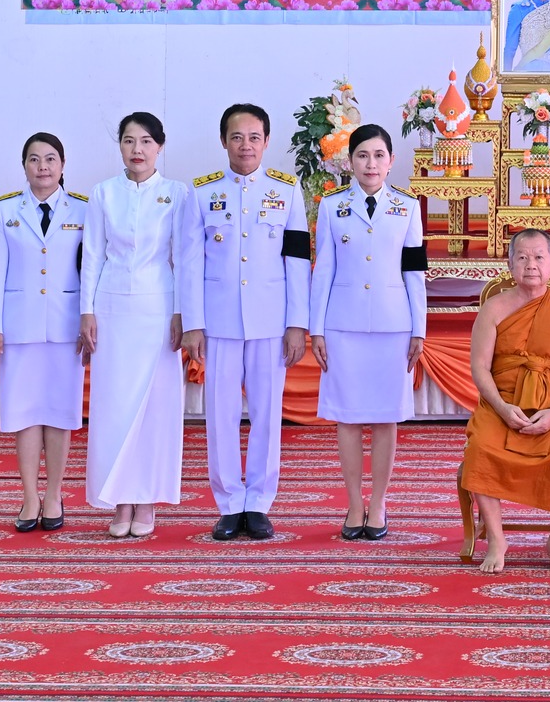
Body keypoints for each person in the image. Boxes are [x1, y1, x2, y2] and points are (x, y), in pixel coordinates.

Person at [180, 104, 312, 541]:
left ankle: (258, 501)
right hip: (218, 321)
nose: (246, 145)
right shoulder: (200, 193)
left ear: (267, 142)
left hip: (270, 320)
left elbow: (296, 260)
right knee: (219, 417)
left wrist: (297, 322)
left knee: (267, 415)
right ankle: (229, 503)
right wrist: (193, 323)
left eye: (254, 137)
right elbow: (189, 263)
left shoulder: (287, 190)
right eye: (237, 137)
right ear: (223, 142)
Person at [309, 123, 428, 540]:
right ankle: (354, 504)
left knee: (385, 418)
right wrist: (316, 329)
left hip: (394, 326)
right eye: (362, 155)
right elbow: (323, 269)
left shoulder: (408, 207)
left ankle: (378, 503)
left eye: (379, 155)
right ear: (350, 161)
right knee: (347, 416)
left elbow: (414, 272)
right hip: (343, 325)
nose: (371, 163)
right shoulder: (331, 206)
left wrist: (419, 329)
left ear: (391, 161)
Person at [462, 229, 550, 572]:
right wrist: (500, 407)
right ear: (509, 264)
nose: (531, 265)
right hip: (503, 403)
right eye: (522, 257)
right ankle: (497, 540)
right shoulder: (494, 309)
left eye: (539, 257)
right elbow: (480, 368)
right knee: (480, 447)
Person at [82, 112, 189, 538]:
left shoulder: (177, 194)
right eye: (129, 141)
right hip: (111, 310)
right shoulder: (103, 193)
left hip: (159, 309)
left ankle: (145, 500)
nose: (137, 150)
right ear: (120, 147)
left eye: (146, 141)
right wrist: (86, 311)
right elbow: (92, 255)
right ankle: (118, 500)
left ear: (160, 146)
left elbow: (183, 258)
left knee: (154, 409)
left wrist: (183, 313)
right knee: (114, 407)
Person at [0, 133, 88, 533]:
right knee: (25, 415)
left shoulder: (82, 209)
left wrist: (88, 317)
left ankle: (55, 494)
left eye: (50, 159)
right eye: (34, 159)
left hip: (66, 329)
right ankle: (29, 495)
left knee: (60, 416)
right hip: (19, 327)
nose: (42, 167)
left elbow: (89, 269)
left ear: (62, 165)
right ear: (24, 165)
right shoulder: (6, 210)